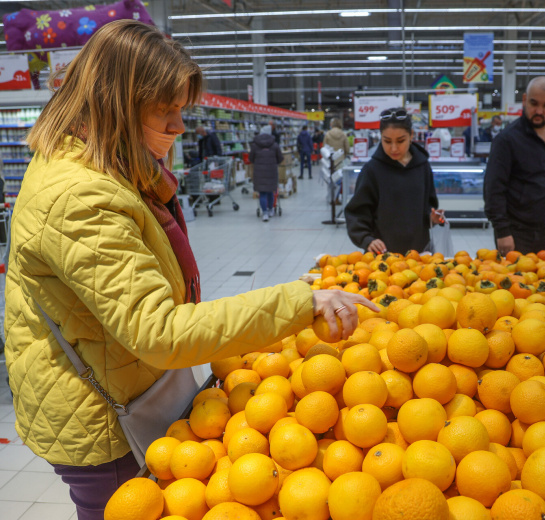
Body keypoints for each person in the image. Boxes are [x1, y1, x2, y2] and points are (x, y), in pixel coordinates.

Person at [4, 20, 376, 520]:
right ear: (116, 105)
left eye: (182, 110)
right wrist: (298, 302)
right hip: (101, 420)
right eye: (166, 113)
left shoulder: (107, 166)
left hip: (121, 381)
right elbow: (156, 330)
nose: (180, 127)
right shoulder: (78, 196)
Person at [484, 76, 545, 255]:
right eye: (534, 103)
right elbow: (493, 187)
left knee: (544, 278)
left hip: (544, 226)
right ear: (524, 100)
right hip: (514, 230)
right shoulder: (507, 139)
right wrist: (502, 231)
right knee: (519, 281)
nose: (539, 111)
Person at [345, 108, 443, 254]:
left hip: (418, 254)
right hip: (382, 257)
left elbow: (428, 204)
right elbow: (357, 213)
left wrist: (432, 217)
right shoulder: (372, 170)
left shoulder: (422, 166)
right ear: (380, 137)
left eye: (400, 140)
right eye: (387, 141)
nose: (394, 148)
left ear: (411, 136)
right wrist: (367, 239)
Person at [250, 125, 283, 221]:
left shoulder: (255, 145)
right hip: (271, 171)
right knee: (270, 191)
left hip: (259, 172)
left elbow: (251, 158)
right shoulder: (275, 145)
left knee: (262, 193)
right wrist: (273, 163)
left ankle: (264, 213)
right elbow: (280, 158)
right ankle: (271, 209)